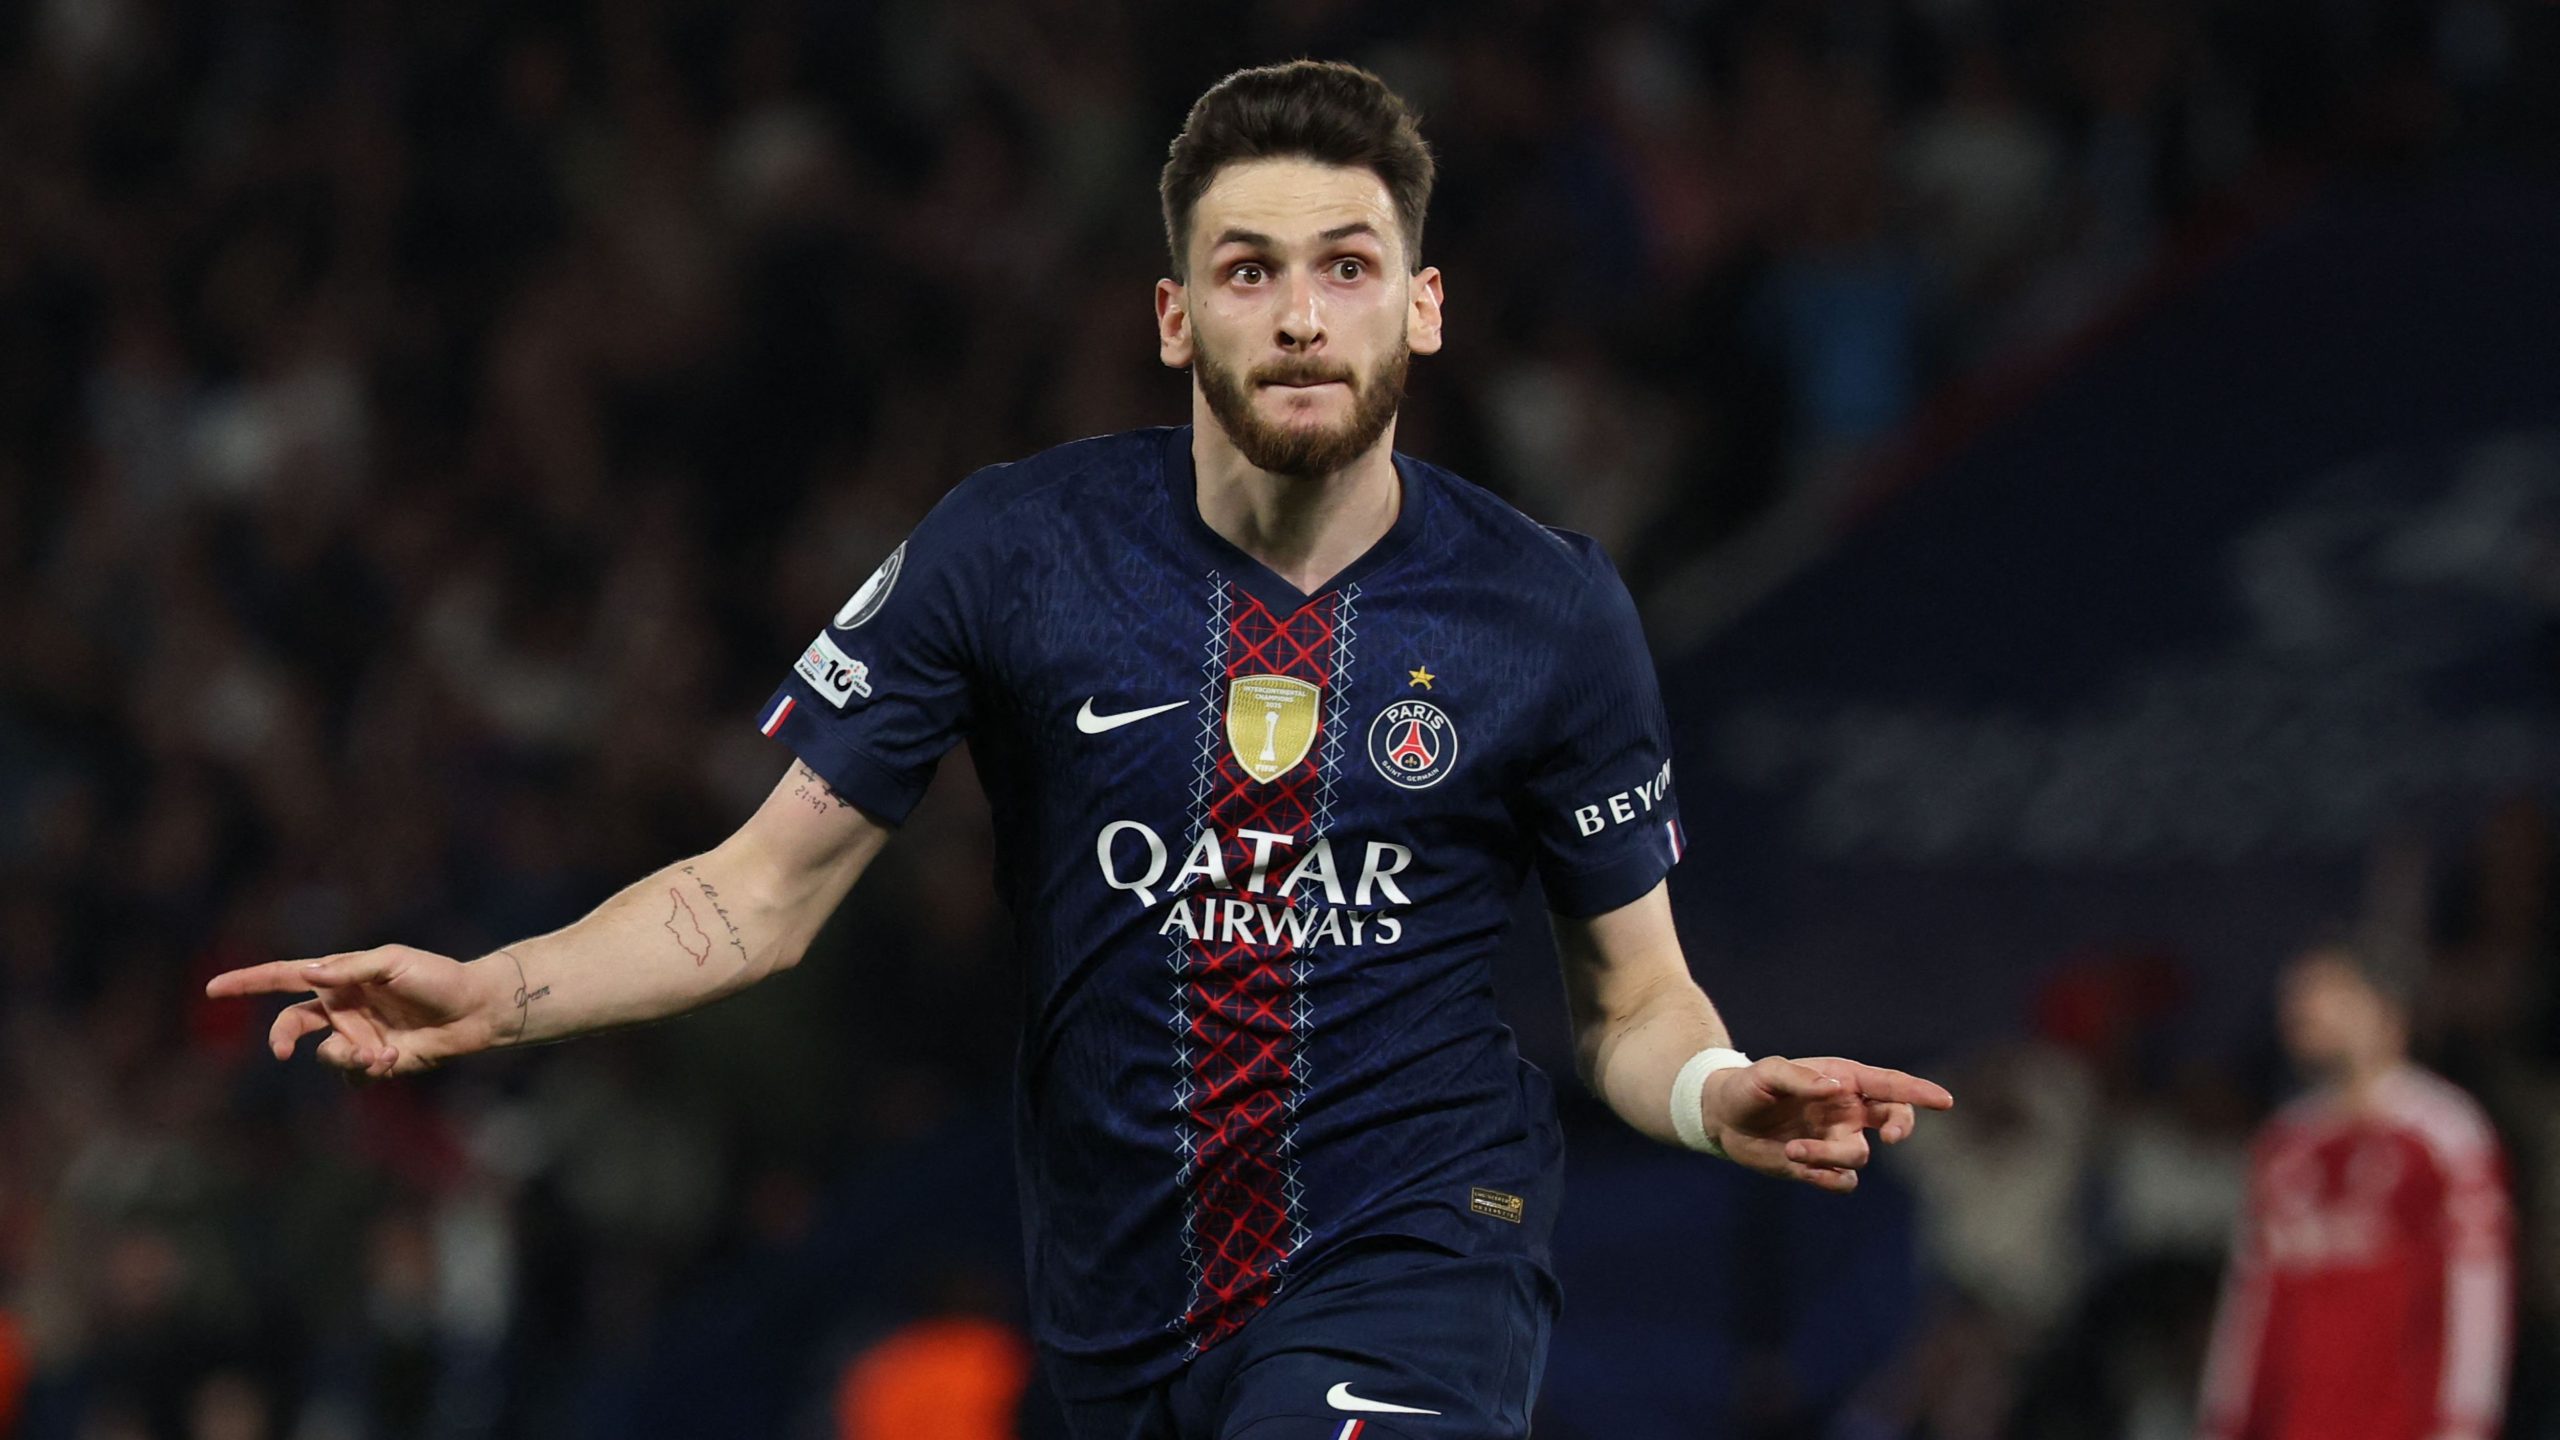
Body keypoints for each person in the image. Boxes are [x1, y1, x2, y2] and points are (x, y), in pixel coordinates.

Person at [207, 60, 1953, 1439]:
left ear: (1422, 307)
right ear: (1175, 315)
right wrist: (494, 994)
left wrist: (1717, 1094)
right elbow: (756, 898)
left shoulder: (1546, 610)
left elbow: (1630, 1002)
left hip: (1419, 1260)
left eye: (1347, 268)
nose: (1300, 314)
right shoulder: (1013, 554)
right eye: (1249, 270)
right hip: (1121, 1308)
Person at [2197, 941, 2514, 1440]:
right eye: (2297, 996)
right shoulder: (2285, 1142)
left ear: (2388, 1014)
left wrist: (2465, 1424)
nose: (2306, 1009)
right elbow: (2249, 1301)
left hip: (2399, 1424)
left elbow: (2477, 1287)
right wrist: (2224, 1422)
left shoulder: (2445, 1133)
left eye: (2330, 992)